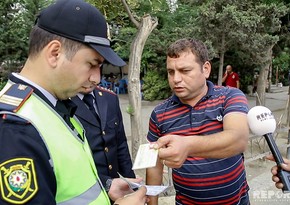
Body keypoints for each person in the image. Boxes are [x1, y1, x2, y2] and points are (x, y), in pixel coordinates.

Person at [0, 0, 147, 204]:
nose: (96, 78)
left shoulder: (52, 106)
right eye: (91, 64)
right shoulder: (16, 127)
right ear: (55, 53)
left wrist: (105, 186)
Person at [146, 38, 250, 205]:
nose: (176, 79)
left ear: (206, 69)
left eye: (184, 70)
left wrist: (187, 146)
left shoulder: (229, 96)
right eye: (171, 72)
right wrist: (152, 202)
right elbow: (154, 163)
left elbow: (239, 140)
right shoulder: (160, 113)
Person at [71, 85, 135, 203]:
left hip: (117, 190)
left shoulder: (109, 98)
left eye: (98, 67)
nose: (94, 77)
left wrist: (132, 183)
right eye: (89, 66)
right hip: (86, 193)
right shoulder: (63, 103)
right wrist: (107, 183)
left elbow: (120, 144)